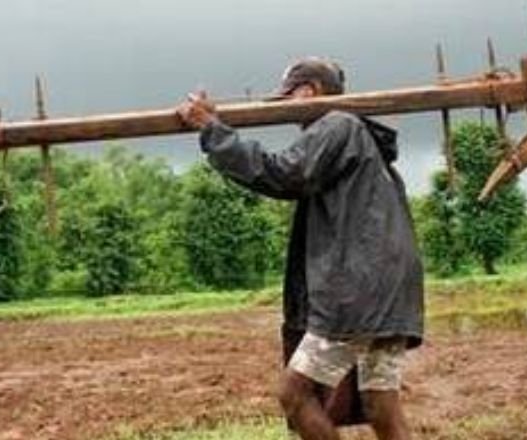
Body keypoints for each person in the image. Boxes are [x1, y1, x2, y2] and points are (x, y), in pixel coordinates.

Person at [175, 57, 425, 440]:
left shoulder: (337, 124)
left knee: (293, 394)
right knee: (379, 401)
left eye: (289, 96)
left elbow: (284, 173)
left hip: (359, 290)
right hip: (391, 292)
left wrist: (213, 130)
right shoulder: (365, 141)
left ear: (309, 91)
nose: (290, 110)